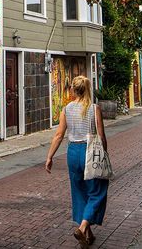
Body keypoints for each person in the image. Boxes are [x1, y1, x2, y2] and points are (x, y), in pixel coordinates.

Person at [45, 76, 108, 247]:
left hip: (73, 152)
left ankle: (88, 236)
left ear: (73, 90)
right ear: (88, 89)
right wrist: (104, 155)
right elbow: (101, 136)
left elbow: (59, 135)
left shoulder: (66, 109)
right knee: (97, 192)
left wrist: (50, 156)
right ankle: (83, 227)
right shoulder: (94, 109)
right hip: (90, 151)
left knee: (79, 192)